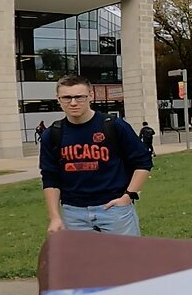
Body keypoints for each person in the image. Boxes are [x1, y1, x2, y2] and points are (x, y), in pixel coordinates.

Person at [40, 75, 153, 236]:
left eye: (79, 97)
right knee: (85, 262)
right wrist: (54, 217)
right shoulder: (52, 134)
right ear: (58, 99)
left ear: (91, 96)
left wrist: (128, 196)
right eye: (66, 97)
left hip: (114, 209)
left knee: (127, 260)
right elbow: (50, 177)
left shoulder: (113, 125)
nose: (73, 102)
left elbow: (143, 162)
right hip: (74, 213)